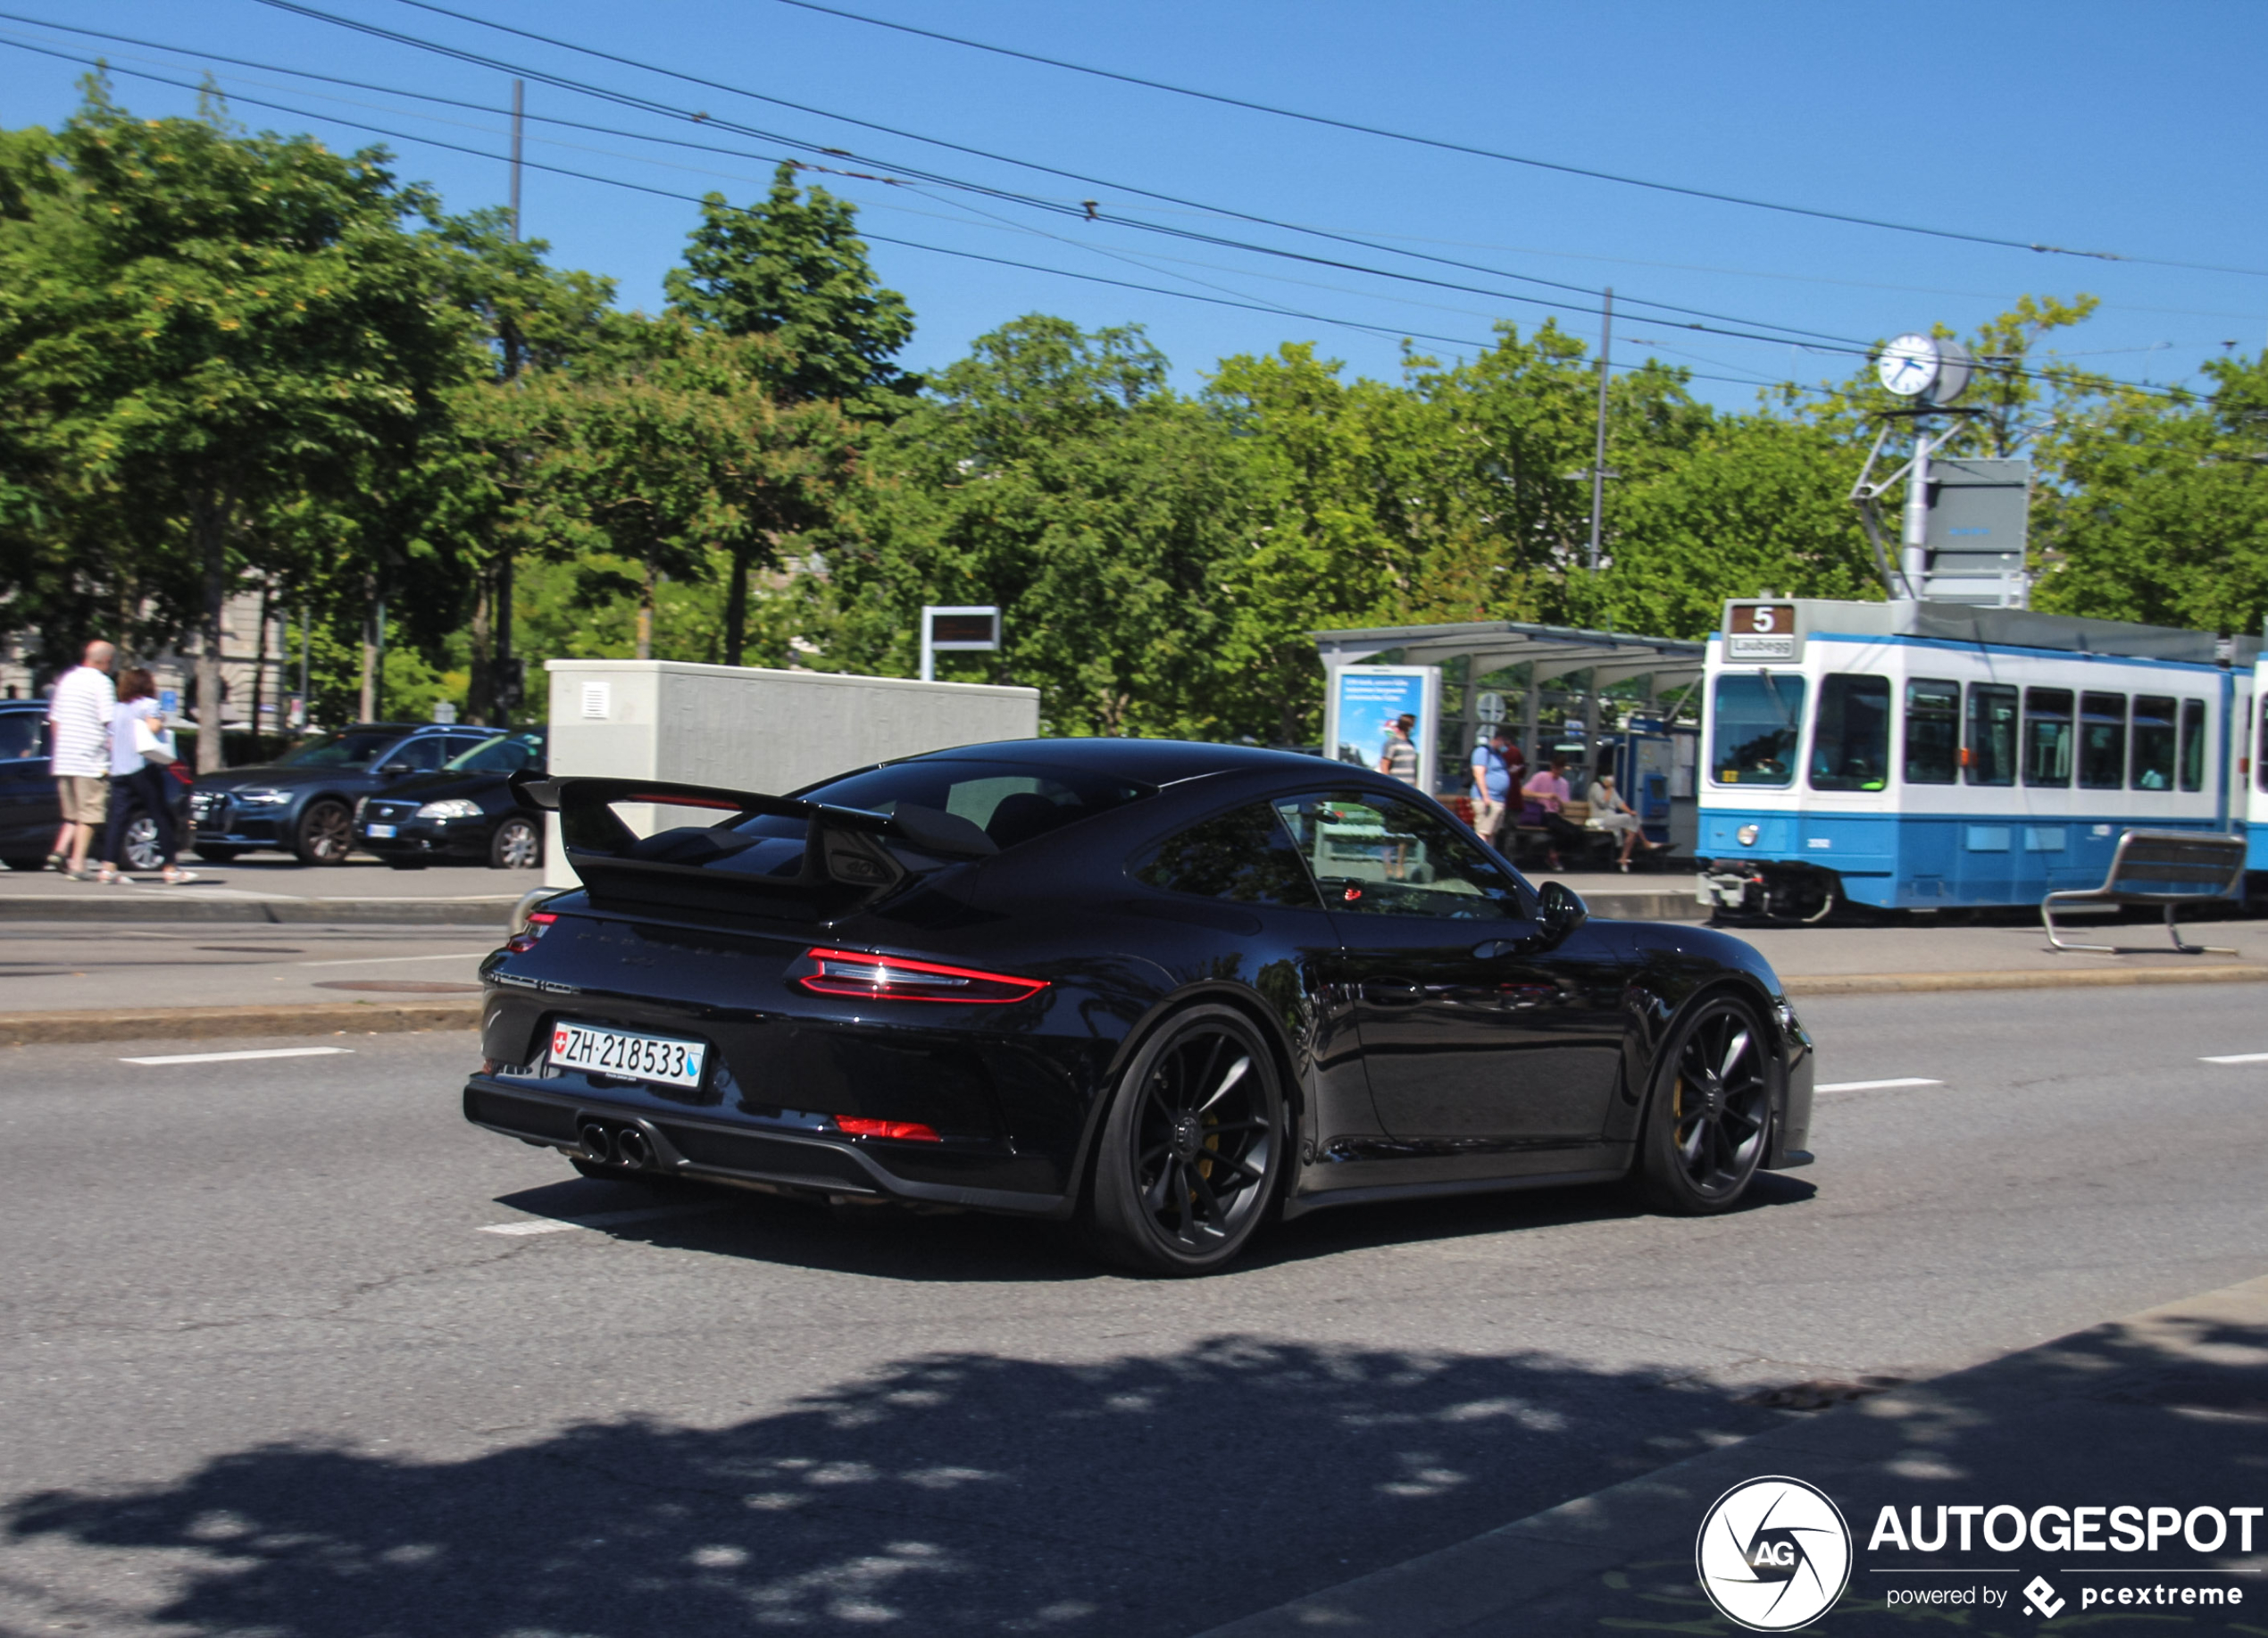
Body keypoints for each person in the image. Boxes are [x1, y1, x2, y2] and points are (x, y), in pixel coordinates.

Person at [98, 667, 193, 886]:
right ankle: (171, 868)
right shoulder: (148, 704)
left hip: (119, 770)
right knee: (161, 816)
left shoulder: (118, 709)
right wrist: (161, 719)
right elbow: (153, 726)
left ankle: (108, 868)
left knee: (118, 820)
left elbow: (110, 741)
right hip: (142, 767)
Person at [45, 639, 115, 881]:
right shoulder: (102, 682)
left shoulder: (67, 680)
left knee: (72, 814)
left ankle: (59, 850)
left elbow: (55, 719)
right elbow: (109, 722)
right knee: (90, 815)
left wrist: (62, 747)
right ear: (105, 661)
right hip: (90, 759)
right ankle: (78, 864)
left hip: (64, 758)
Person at [1587, 770, 1666, 873]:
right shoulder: (1595, 786)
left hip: (1612, 819)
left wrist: (1630, 811)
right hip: (1599, 819)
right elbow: (1603, 803)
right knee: (1633, 822)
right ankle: (1644, 843)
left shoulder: (1612, 790)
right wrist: (1609, 788)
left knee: (1634, 820)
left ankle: (1624, 858)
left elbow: (1620, 803)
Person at [1520, 754, 1584, 872]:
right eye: (1555, 768)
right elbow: (1524, 792)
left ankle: (1555, 854)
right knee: (1560, 829)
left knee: (1576, 831)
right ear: (1552, 766)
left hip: (1554, 814)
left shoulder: (1564, 783)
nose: (1557, 772)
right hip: (1542, 812)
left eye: (1560, 769)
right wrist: (1544, 795)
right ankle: (1552, 855)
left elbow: (1562, 810)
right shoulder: (1541, 776)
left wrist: (1559, 802)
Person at [1468, 727, 1517, 848]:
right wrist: (1486, 796)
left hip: (1498, 800)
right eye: (1506, 744)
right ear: (1499, 739)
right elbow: (1479, 773)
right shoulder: (1483, 752)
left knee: (1491, 833)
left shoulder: (1498, 755)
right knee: (1483, 833)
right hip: (1488, 800)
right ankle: (1479, 859)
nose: (1507, 747)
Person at [1377, 713, 1420, 787]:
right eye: (1412, 726)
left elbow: (1413, 768)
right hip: (1398, 787)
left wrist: (1416, 785)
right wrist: (1389, 785)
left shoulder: (1411, 744)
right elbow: (1384, 765)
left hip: (1410, 788)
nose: (1413, 728)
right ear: (1407, 726)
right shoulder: (1392, 743)